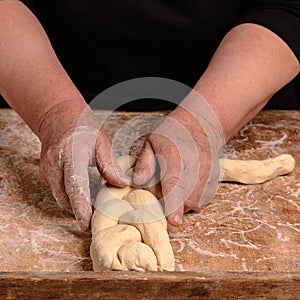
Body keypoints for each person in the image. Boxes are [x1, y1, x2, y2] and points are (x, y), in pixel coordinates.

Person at [0, 0, 299, 230]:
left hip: (237, 89)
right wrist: (54, 111)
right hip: (40, 80)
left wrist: (204, 121)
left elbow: (285, 8)